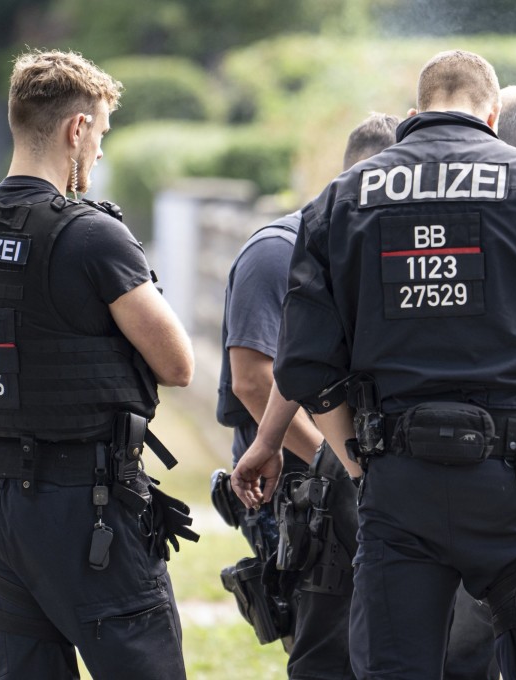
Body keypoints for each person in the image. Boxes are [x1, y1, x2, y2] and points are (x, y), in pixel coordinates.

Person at [234, 49, 516, 680]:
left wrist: (362, 462)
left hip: (399, 489)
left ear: (413, 113)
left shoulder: (342, 201)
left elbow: (305, 368)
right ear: (494, 111)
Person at [0, 50, 196, 679]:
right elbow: (178, 363)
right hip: (82, 504)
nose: (102, 153)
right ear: (75, 129)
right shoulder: (90, 235)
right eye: (102, 133)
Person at [216, 112, 395, 680]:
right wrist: (341, 463)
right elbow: (252, 379)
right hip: (304, 495)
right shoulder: (280, 252)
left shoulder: (363, 255)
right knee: (327, 655)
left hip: (356, 489)